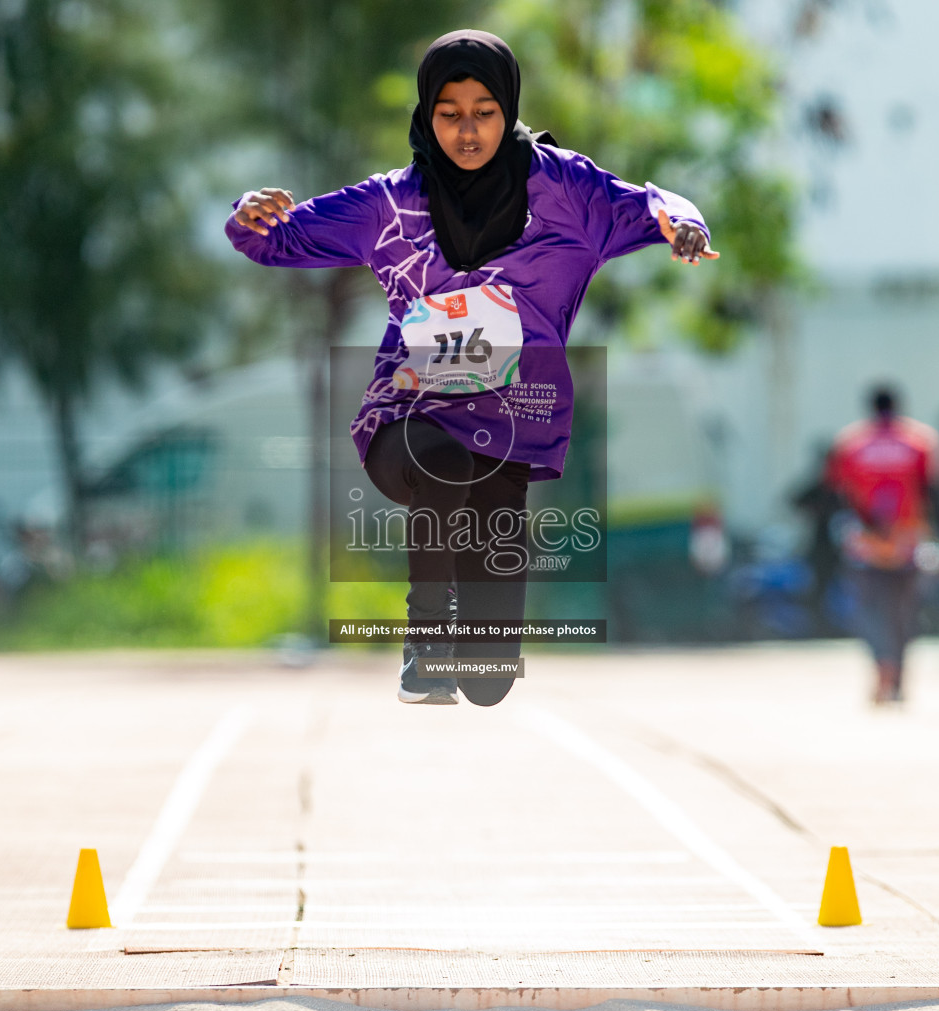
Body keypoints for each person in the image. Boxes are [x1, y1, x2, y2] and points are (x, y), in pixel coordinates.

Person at [228, 30, 716, 706]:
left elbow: (658, 207)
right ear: (426, 114)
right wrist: (250, 212)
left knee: (489, 680)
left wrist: (685, 226)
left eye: (484, 111)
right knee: (444, 460)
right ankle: (424, 642)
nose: (466, 130)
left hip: (511, 430)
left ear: (508, 109)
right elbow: (271, 240)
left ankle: (470, 644)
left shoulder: (566, 188)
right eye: (449, 112)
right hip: (408, 420)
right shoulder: (388, 203)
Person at [827, 385, 939, 703]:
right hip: (908, 539)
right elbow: (934, 492)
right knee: (904, 612)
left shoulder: (851, 442)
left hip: (866, 542)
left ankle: (881, 666)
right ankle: (899, 679)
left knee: (869, 611)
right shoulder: (921, 441)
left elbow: (839, 494)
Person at [790, 443, 843, 635]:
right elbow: (794, 500)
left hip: (847, 548)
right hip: (822, 547)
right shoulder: (820, 487)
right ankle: (818, 625)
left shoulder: (845, 488)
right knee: (819, 587)